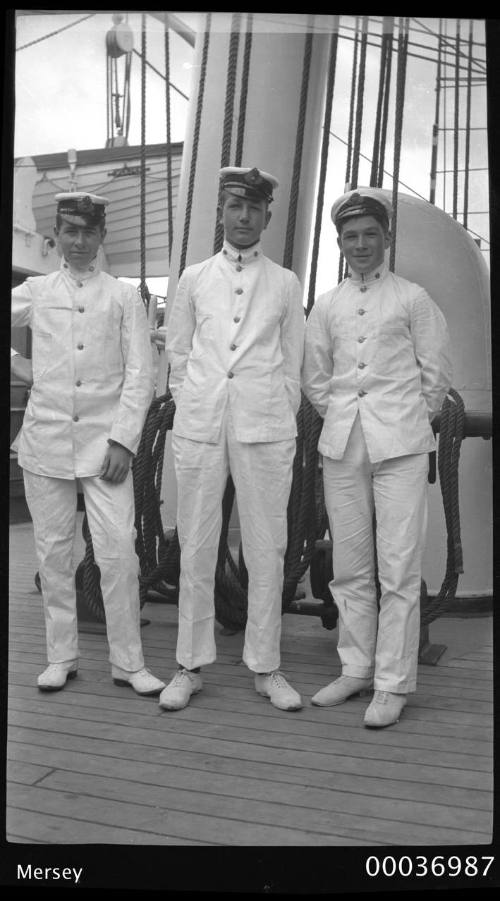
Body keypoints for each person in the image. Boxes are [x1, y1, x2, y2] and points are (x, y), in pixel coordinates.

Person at [302, 187, 452, 728]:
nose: (360, 244)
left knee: (398, 568)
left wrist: (406, 420)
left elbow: (435, 379)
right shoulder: (327, 305)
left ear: (386, 239)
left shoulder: (413, 299)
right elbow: (316, 379)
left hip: (402, 446)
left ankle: (392, 683)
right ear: (340, 243)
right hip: (342, 445)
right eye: (350, 236)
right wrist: (345, 414)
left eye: (369, 235)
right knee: (350, 568)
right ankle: (356, 667)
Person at [160, 166, 305, 712]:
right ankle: (189, 665)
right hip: (201, 422)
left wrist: (274, 406)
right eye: (234, 207)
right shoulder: (195, 278)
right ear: (222, 213)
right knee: (196, 539)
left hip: (264, 424)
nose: (243, 217)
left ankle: (267, 666)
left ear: (267, 215)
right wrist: (194, 398)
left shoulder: (286, 284)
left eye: (254, 208)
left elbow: (293, 364)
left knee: (268, 544)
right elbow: (178, 353)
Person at [11, 192, 165, 697]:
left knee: (120, 553)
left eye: (89, 232)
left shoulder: (123, 297)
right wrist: (20, 365)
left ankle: (128, 661)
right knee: (53, 555)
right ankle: (61, 656)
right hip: (46, 442)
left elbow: (142, 373)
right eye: (70, 231)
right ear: (57, 235)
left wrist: (124, 440)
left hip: (106, 448)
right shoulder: (36, 290)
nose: (79, 242)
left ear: (102, 237)